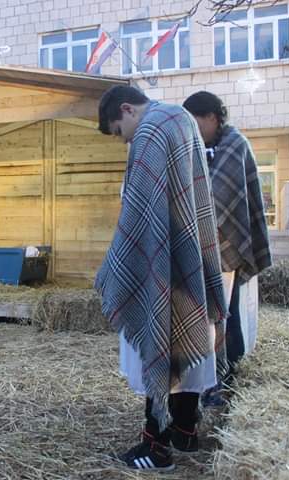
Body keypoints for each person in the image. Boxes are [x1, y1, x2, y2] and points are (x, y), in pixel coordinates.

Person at [95, 86, 226, 471]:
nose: (124, 140)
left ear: (127, 109)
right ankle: (185, 431)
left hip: (162, 260)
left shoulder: (150, 131)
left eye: (119, 131)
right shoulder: (181, 118)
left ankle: (156, 447)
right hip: (188, 257)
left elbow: (140, 212)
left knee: (160, 338)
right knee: (184, 340)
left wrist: (116, 265)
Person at [183, 92, 272, 392]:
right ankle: (214, 376)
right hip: (208, 247)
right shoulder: (208, 147)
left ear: (212, 117)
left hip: (228, 246)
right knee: (214, 314)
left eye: (196, 123)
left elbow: (219, 198)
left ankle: (229, 374)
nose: (194, 131)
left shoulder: (234, 144)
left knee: (226, 312)